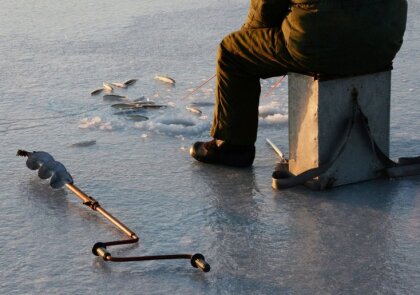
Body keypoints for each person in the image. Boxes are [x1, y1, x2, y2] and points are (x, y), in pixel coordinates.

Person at [190, 0, 407, 167]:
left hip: (318, 46)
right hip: (382, 44)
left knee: (232, 51)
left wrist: (249, 35)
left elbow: (265, 10)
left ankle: (233, 147)